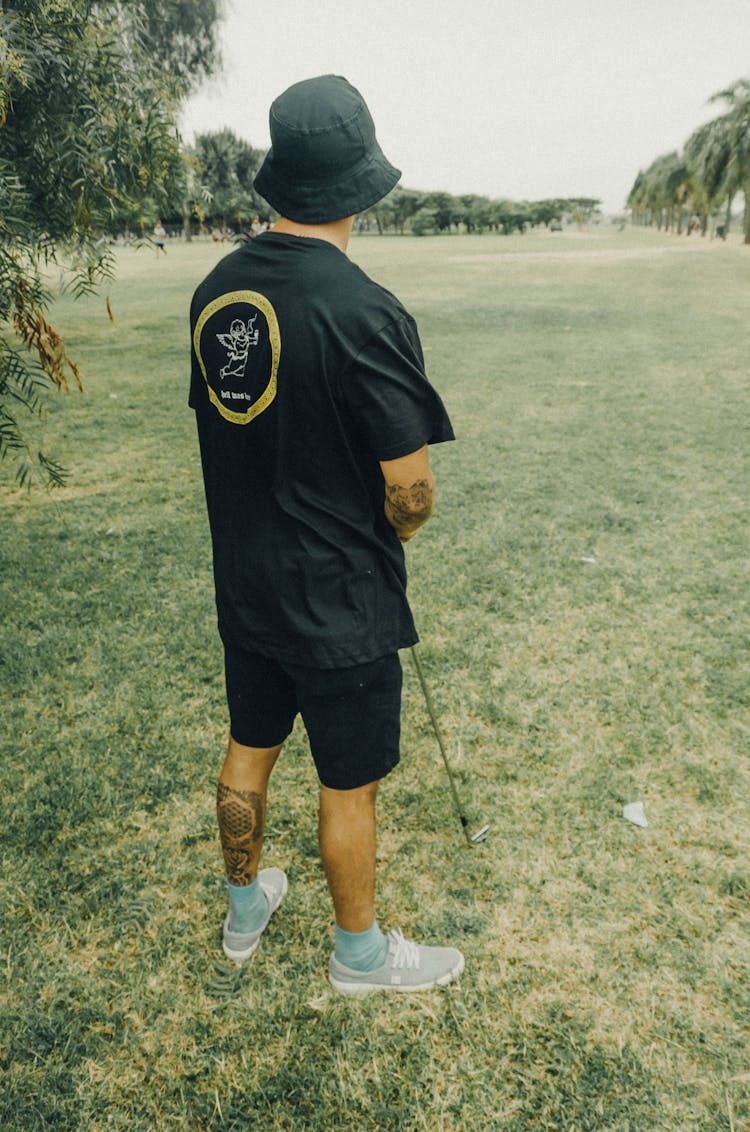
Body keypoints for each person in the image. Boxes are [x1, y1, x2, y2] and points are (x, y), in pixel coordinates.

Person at [189, 74, 463, 995]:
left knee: (247, 750)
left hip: (248, 589)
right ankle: (359, 957)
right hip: (338, 598)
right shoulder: (362, 306)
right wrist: (399, 533)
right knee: (348, 785)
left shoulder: (215, 292)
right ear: (359, 188)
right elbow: (411, 486)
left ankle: (242, 912)